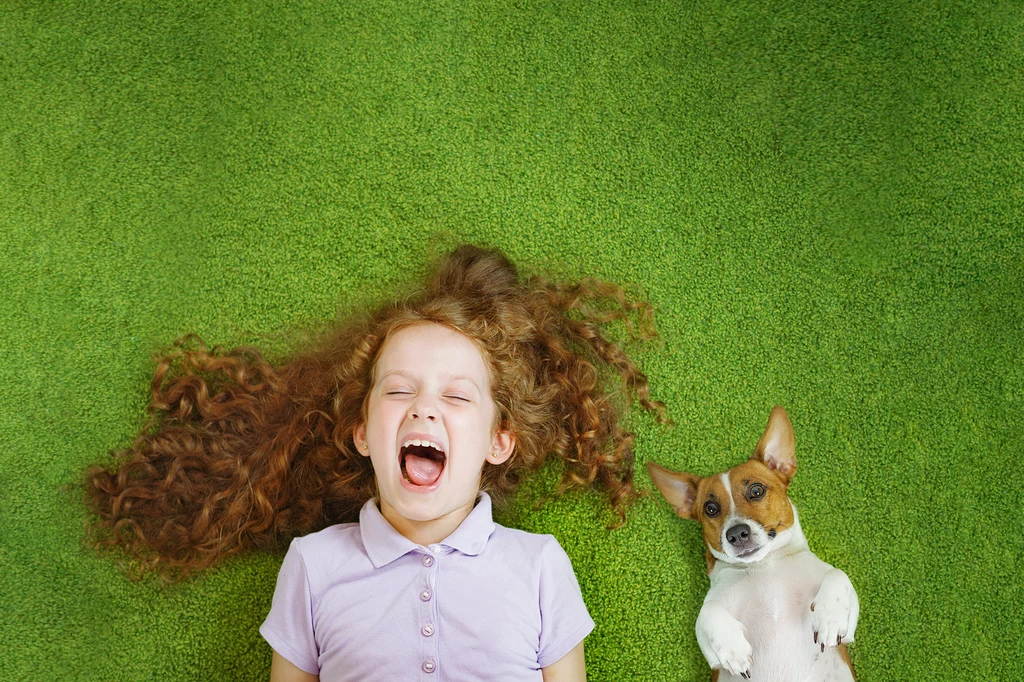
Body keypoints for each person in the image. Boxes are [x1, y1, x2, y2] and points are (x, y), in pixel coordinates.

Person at [85, 244, 666, 681]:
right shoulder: (314, 565)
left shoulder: (538, 566)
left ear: (499, 441)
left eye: (457, 397)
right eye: (398, 391)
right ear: (363, 432)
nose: (424, 410)